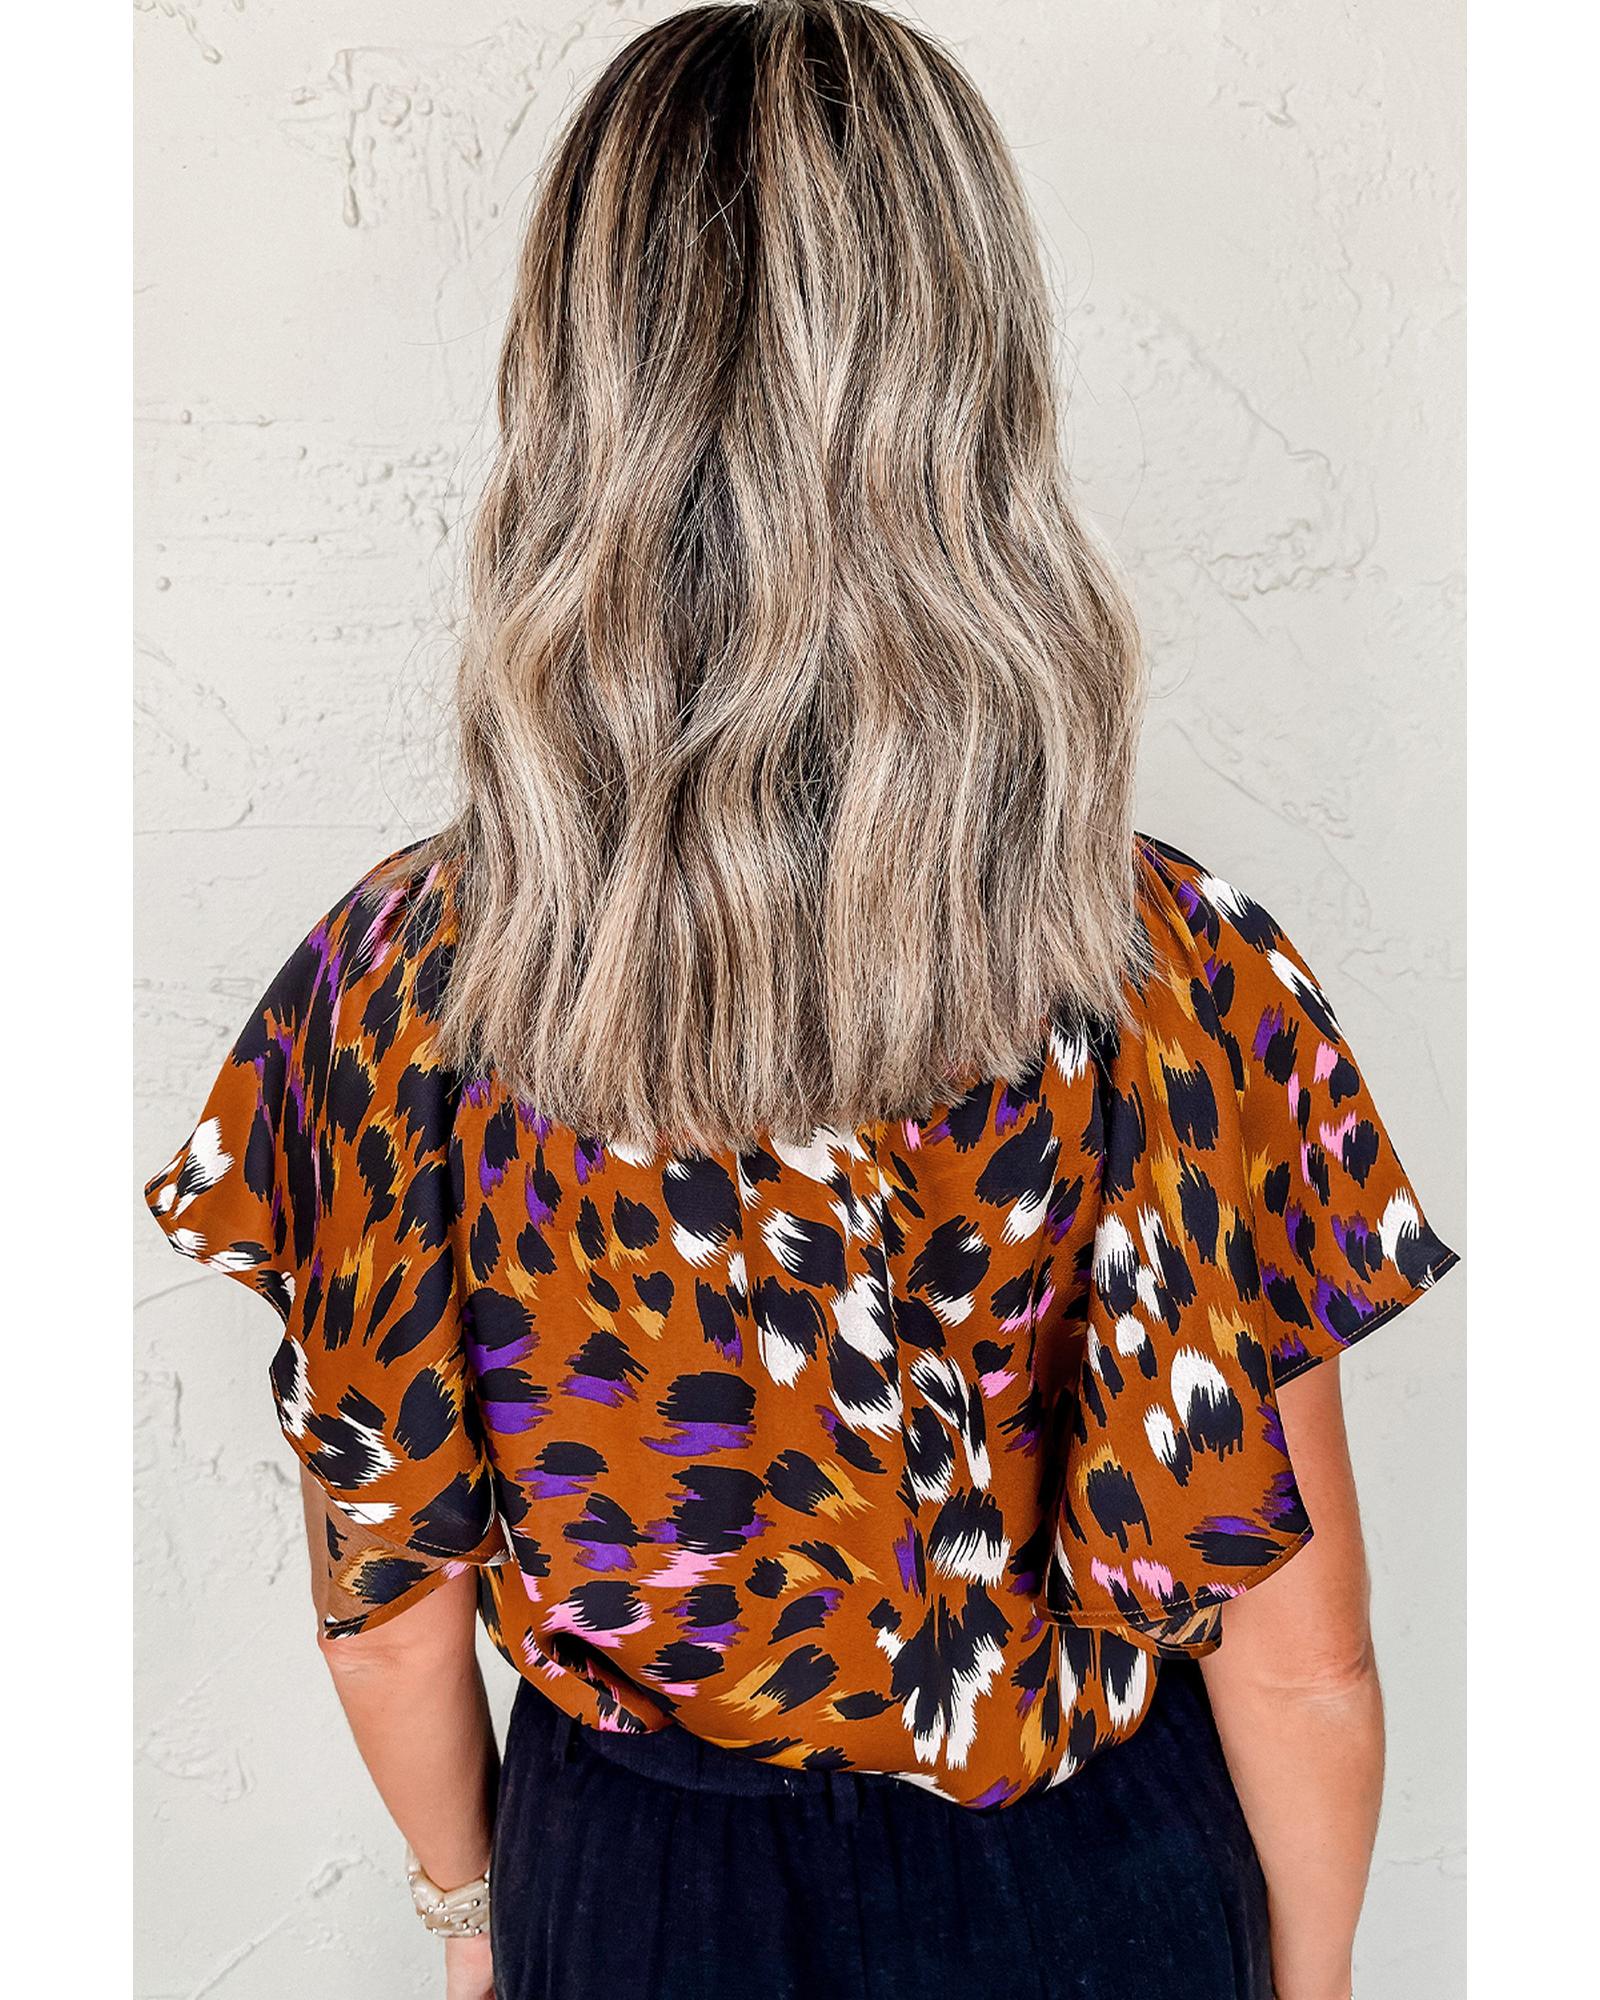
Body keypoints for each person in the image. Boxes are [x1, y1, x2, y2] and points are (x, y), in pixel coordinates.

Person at [140, 5, 1460, 1997]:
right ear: (976, 393)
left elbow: (388, 1615)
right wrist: (1319, 1976)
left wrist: (472, 1914)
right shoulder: (1171, 971)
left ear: (575, 389)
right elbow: (1301, 1653)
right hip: (1084, 1886)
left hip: (632, 1889)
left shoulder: (399, 986)